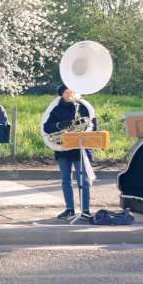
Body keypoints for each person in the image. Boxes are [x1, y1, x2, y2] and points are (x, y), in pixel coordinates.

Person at [42, 84, 97, 220]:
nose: (69, 95)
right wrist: (60, 125)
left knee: (83, 180)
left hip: (80, 149)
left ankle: (85, 210)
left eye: (71, 92)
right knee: (66, 180)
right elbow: (47, 127)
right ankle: (69, 209)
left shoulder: (83, 107)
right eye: (66, 93)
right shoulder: (56, 109)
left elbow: (93, 125)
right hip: (63, 150)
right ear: (61, 95)